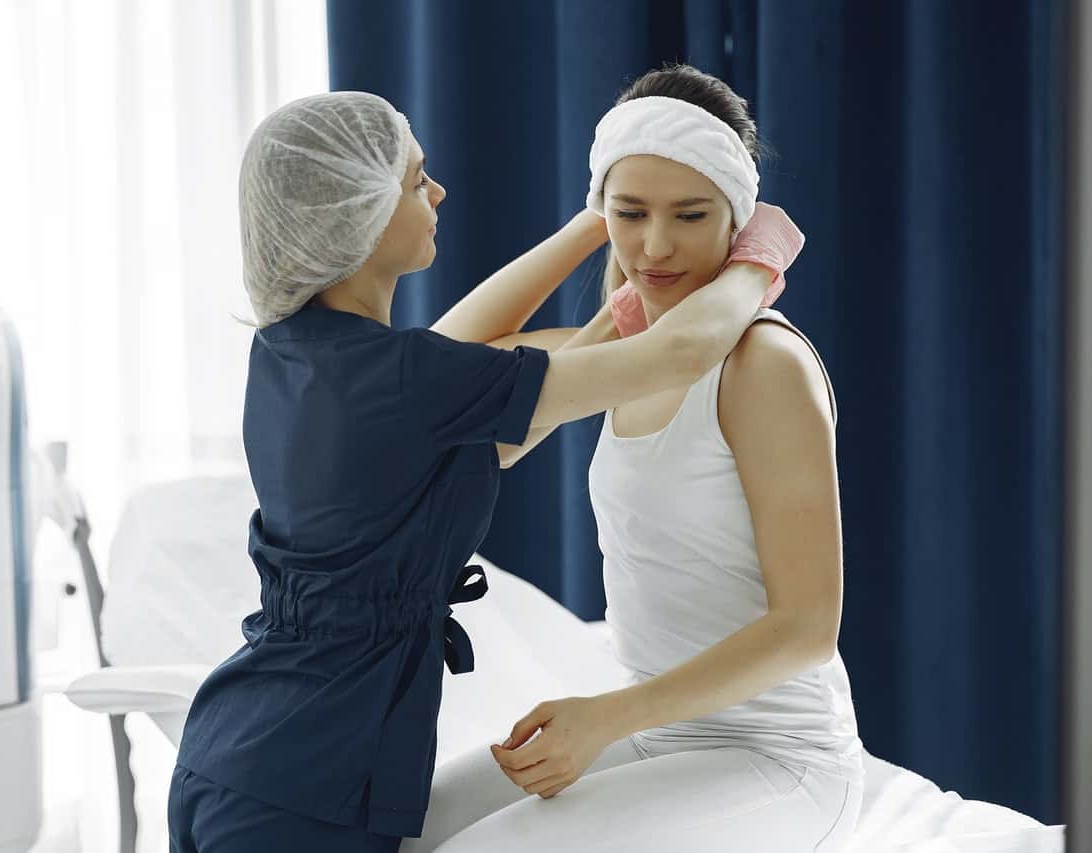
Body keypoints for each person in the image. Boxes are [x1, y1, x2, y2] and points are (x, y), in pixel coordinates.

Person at [166, 89, 797, 853]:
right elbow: (680, 351)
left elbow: (493, 379)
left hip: (238, 757)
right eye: (416, 180)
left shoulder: (296, 356)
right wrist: (761, 253)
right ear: (361, 211)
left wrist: (609, 217)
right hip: (306, 787)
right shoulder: (406, 380)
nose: (438, 193)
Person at [407, 64, 862, 853]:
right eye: (631, 212)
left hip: (781, 759)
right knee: (400, 833)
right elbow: (434, 374)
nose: (655, 245)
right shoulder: (621, 354)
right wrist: (594, 219)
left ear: (738, 216)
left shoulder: (764, 366)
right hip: (661, 738)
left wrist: (604, 718)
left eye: (690, 213)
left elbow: (807, 628)